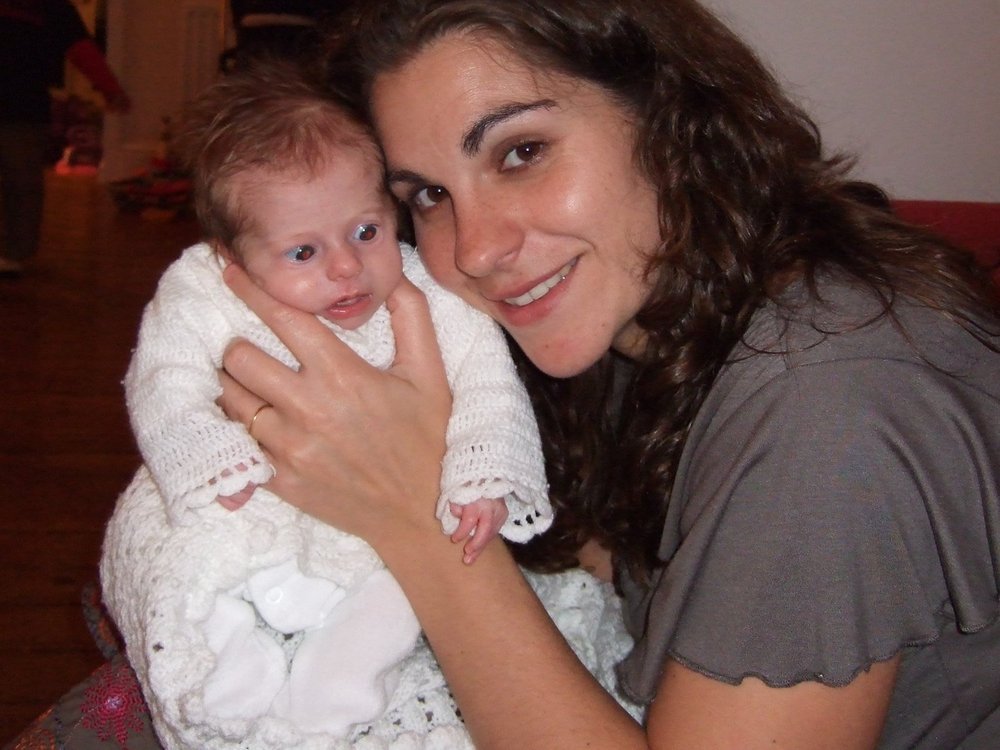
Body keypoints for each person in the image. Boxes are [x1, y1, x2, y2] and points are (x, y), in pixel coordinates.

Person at [213, 1, 1000, 748]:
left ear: (669, 113)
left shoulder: (833, 405)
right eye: (429, 195)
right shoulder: (646, 322)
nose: (475, 249)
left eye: (521, 152)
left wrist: (419, 516)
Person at [99, 59, 554, 747]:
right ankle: (223, 660)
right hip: (244, 492)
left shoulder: (426, 292)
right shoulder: (202, 288)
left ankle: (334, 693)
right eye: (303, 251)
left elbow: (489, 384)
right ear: (231, 254)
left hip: (380, 524)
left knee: (401, 598)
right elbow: (163, 376)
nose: (346, 267)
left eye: (365, 232)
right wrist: (207, 454)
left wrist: (484, 472)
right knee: (173, 550)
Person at [0, 0, 129, 277]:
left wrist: (110, 89)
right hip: (24, 106)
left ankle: (14, 255)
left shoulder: (51, 5)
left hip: (23, 106)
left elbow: (79, 47)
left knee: (22, 181)